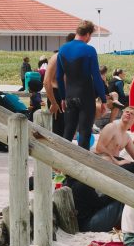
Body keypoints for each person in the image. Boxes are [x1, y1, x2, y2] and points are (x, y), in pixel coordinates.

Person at [56, 20, 107, 149]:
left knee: (68, 132)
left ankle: (62, 166)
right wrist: (103, 99)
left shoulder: (63, 49)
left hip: (69, 96)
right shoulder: (89, 50)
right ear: (88, 34)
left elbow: (59, 77)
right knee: (84, 133)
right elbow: (96, 76)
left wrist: (62, 98)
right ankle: (82, 167)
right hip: (86, 96)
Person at [42, 33, 77, 137]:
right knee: (59, 130)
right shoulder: (57, 58)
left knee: (70, 130)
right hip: (56, 95)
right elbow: (46, 82)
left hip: (70, 96)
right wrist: (53, 102)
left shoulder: (75, 58)